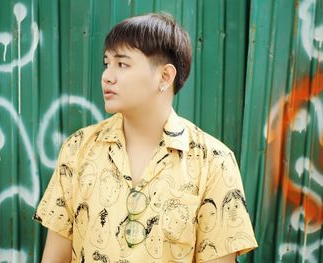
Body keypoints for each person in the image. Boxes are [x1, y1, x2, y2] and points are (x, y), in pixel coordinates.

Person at [33, 12, 258, 263]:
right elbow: (55, 257)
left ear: (165, 76)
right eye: (106, 63)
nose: (107, 76)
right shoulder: (78, 149)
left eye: (122, 64)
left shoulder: (214, 162)